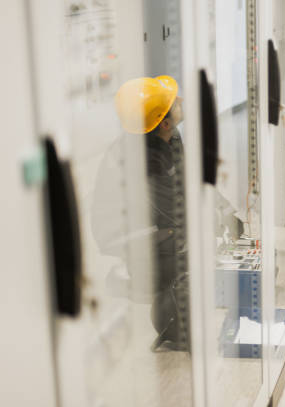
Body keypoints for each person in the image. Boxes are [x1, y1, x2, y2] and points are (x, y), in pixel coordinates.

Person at [93, 75, 190, 350]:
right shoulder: (147, 159)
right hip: (125, 235)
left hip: (144, 223)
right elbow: (175, 213)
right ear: (165, 122)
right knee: (184, 242)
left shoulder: (166, 138)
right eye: (174, 102)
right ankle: (145, 288)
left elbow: (187, 184)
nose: (180, 100)